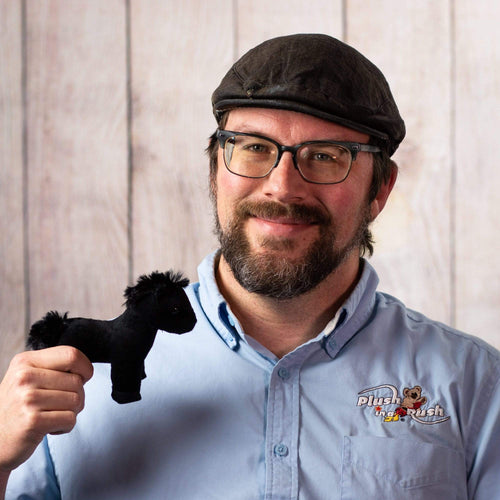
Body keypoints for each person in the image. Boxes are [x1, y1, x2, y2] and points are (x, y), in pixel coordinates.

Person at [1, 33, 499, 499]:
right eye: (255, 148)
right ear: (215, 168)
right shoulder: (67, 381)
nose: (282, 187)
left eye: (326, 156)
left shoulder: (476, 386)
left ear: (381, 189)